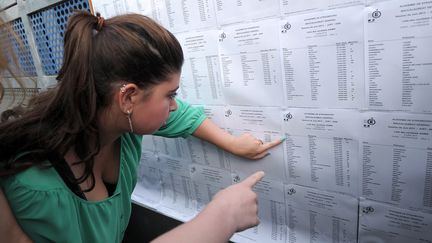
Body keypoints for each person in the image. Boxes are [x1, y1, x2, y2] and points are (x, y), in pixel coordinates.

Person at [0, 11, 282, 242]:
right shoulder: (34, 185)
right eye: (170, 95)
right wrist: (222, 218)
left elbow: (179, 115)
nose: (174, 105)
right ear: (128, 97)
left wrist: (232, 143)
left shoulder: (119, 122)